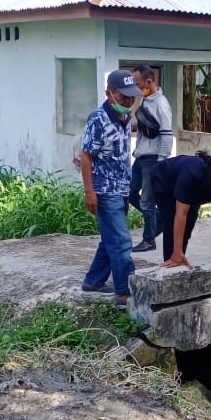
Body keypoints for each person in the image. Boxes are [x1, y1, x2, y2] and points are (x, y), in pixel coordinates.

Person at [74, 69, 143, 306]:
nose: (128, 101)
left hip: (122, 188)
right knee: (122, 241)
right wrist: (89, 192)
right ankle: (125, 291)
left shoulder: (124, 118)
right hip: (105, 191)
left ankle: (93, 281)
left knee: (110, 238)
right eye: (123, 97)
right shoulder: (98, 119)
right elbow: (86, 156)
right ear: (109, 93)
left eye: (131, 97)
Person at [151, 152, 211, 268]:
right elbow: (180, 214)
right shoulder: (192, 173)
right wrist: (177, 251)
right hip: (164, 182)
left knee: (189, 224)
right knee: (171, 221)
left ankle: (179, 256)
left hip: (193, 191)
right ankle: (172, 261)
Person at [130, 64, 173, 253]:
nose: (136, 88)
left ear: (149, 82)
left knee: (147, 200)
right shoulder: (146, 100)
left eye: (138, 84)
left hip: (153, 158)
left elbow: (166, 134)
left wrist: (162, 161)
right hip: (141, 155)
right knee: (130, 192)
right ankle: (158, 219)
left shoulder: (161, 104)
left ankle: (149, 239)